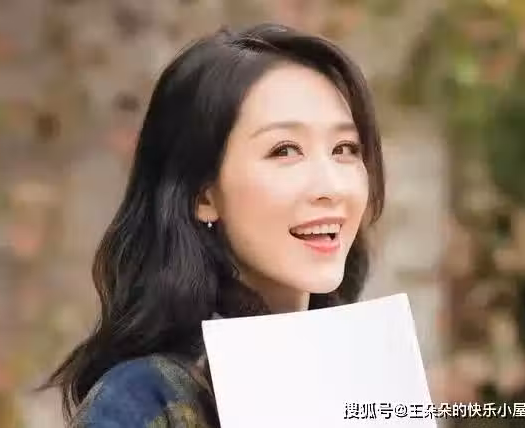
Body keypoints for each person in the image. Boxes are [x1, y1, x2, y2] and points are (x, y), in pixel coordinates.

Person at [43, 22, 385, 427]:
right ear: (203, 195)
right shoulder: (144, 399)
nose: (331, 187)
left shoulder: (366, 382)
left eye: (345, 148)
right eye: (285, 150)